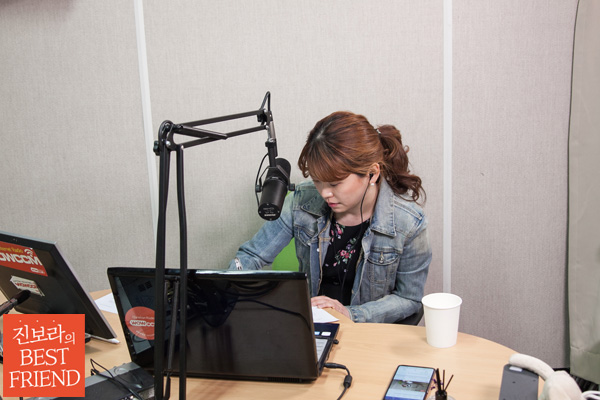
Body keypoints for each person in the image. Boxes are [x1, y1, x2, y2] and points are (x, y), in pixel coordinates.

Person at [229, 111, 431, 323]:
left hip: (367, 333)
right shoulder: (302, 201)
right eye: (317, 180)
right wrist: (228, 288)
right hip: (312, 329)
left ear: (372, 173)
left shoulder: (408, 222)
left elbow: (409, 298)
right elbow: (252, 256)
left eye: (335, 184)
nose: (324, 193)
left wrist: (350, 314)